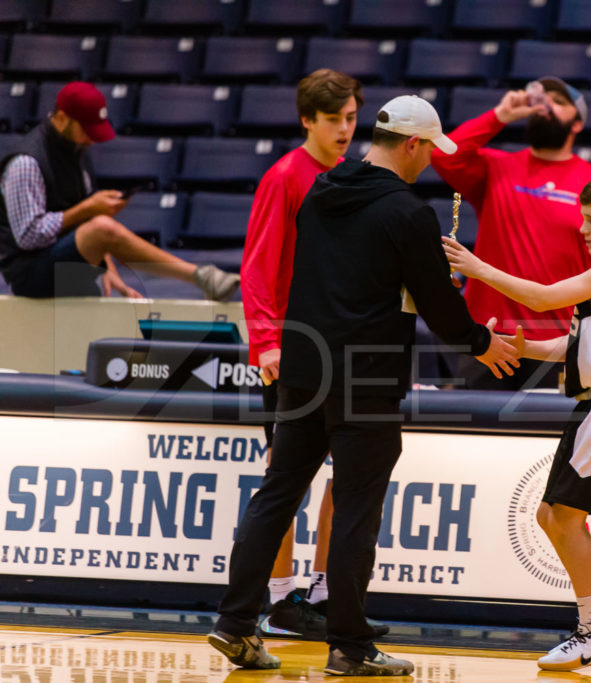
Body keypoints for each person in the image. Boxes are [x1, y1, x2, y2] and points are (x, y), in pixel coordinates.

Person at [208, 95, 519, 676]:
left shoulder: (321, 190)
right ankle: (350, 647)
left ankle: (234, 624)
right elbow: (438, 307)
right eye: (429, 150)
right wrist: (483, 343)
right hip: (366, 377)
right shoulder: (407, 213)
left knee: (277, 492)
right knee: (355, 509)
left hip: (303, 365)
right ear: (411, 144)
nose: (431, 162)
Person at [443, 170, 591, 671]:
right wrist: (526, 349)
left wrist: (478, 267)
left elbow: (540, 297)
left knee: (562, 518)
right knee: (551, 516)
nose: (582, 229)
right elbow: (577, 344)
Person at [240, 68, 387, 642]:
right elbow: (257, 267)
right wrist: (266, 341)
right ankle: (279, 602)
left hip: (341, 347)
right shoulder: (285, 177)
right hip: (293, 349)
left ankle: (324, 595)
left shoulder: (350, 176)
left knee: (346, 474)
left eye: (353, 118)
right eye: (335, 121)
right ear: (307, 119)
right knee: (288, 479)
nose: (346, 130)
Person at [430, 77, 591, 390]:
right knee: (472, 435)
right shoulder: (498, 167)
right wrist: (500, 115)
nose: (547, 106)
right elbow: (444, 156)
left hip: (556, 344)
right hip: (489, 339)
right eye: (544, 99)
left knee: (550, 438)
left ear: (577, 124)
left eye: (560, 102)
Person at [0, 82, 238, 301]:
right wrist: (87, 209)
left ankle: (203, 278)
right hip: (30, 273)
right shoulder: (26, 162)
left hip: (62, 263)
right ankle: (201, 277)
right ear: (62, 118)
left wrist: (107, 269)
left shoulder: (75, 151)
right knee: (102, 226)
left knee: (100, 225)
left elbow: (88, 226)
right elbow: (28, 236)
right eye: (87, 130)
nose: (92, 140)